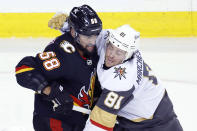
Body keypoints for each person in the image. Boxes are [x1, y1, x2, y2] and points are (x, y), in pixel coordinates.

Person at [15, 5, 102, 131]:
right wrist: (51, 92)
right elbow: (23, 69)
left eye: (96, 35)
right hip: (53, 120)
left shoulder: (87, 45)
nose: (93, 41)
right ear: (73, 32)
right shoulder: (62, 54)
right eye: (88, 36)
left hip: (77, 120)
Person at [82, 25, 183, 131]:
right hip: (137, 113)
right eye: (111, 47)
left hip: (156, 122)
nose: (111, 55)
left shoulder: (122, 80)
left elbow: (99, 124)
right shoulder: (109, 38)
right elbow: (85, 32)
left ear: (127, 55)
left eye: (118, 52)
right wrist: (67, 23)